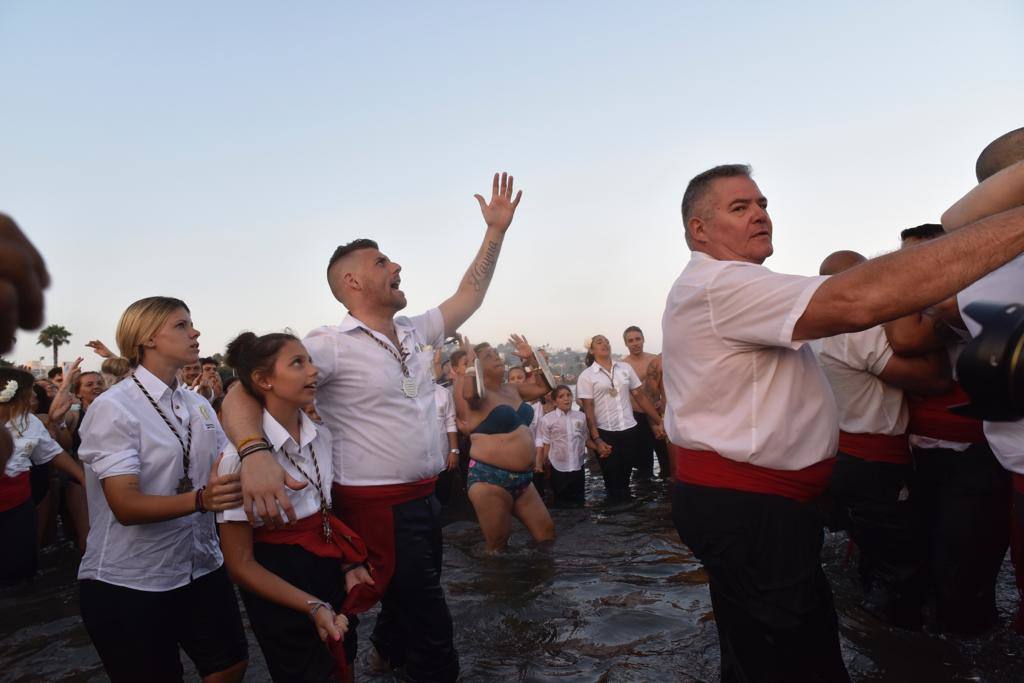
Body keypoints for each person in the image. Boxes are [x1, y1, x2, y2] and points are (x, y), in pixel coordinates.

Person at [663, 163, 1024, 682]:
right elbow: (859, 299)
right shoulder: (721, 285)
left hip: (757, 508)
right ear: (699, 230)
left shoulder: (728, 285)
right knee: (797, 663)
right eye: (739, 208)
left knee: (762, 651)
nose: (760, 215)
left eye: (762, 204)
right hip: (753, 510)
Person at [223, 172, 523, 682]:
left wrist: (495, 231)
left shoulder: (414, 330)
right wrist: (253, 453)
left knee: (409, 596)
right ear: (353, 283)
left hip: (425, 496)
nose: (397, 265)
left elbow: (468, 296)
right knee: (429, 618)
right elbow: (241, 390)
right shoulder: (329, 343)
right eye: (382, 261)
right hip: (376, 504)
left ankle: (384, 654)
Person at [77, 296, 248, 682]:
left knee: (231, 664)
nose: (195, 332)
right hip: (130, 579)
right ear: (148, 338)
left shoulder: (196, 403)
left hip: (200, 563)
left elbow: (228, 459)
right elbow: (125, 505)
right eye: (182, 325)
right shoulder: (114, 407)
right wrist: (201, 499)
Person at [217, 332, 374, 682]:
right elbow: (240, 566)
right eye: (297, 363)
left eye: (310, 361)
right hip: (278, 588)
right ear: (263, 380)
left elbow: (326, 512)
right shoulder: (237, 461)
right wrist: (311, 604)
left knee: (343, 657)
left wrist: (350, 563)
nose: (313, 372)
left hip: (329, 572)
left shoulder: (322, 436)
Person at [884, 224, 1009, 634]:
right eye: (904, 258)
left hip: (974, 460)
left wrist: (902, 278)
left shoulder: (962, 304)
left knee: (962, 573)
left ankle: (972, 653)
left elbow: (905, 338)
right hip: (922, 455)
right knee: (928, 566)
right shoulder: (922, 306)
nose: (912, 268)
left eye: (920, 259)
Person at [817, 249, 951, 628]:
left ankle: (872, 631)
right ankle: (891, 649)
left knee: (874, 559)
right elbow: (935, 382)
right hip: (875, 464)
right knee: (900, 571)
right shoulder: (855, 331)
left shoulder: (819, 334)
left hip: (845, 460)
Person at [452, 335, 555, 552]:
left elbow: (544, 388)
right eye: (488, 356)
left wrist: (531, 359)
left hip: (523, 481)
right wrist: (471, 363)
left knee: (546, 534)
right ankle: (496, 584)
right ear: (478, 366)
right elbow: (470, 393)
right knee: (498, 546)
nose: (496, 357)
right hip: (489, 480)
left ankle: (543, 583)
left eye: (496, 353)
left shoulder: (512, 389)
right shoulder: (476, 394)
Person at [0, 368, 83, 584]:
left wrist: (82, 477)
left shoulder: (31, 422)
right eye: (30, 391)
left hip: (18, 505)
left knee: (19, 567)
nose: (35, 395)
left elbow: (52, 452)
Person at [576, 334, 664, 502]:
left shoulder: (624, 368)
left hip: (630, 430)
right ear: (592, 350)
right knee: (612, 481)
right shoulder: (587, 376)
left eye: (607, 341)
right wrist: (597, 439)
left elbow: (641, 397)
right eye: (599, 342)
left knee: (626, 477)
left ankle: (628, 519)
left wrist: (659, 421)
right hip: (606, 432)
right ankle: (615, 518)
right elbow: (588, 410)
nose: (605, 344)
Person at [621, 326, 669, 478]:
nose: (635, 343)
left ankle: (666, 495)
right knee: (643, 464)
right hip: (636, 417)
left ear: (643, 340)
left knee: (665, 458)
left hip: (658, 414)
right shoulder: (622, 366)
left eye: (638, 339)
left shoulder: (655, 360)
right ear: (626, 344)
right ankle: (645, 497)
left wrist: (664, 404)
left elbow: (667, 386)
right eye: (631, 340)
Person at [538, 384, 593, 507]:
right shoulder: (548, 419)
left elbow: (585, 439)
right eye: (561, 396)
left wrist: (599, 447)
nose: (566, 399)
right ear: (555, 402)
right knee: (561, 502)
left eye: (568, 395)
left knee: (579, 500)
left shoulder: (581, 416)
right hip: (559, 467)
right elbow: (546, 443)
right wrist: (544, 464)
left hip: (578, 465)